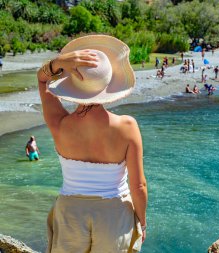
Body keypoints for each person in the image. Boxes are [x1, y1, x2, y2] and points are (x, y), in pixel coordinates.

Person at [37, 35, 146, 252]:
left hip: (69, 212)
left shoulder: (59, 123)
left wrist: (57, 63)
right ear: (109, 82)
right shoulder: (127, 126)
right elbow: (138, 186)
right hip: (114, 214)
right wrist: (142, 222)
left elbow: (42, 79)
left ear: (72, 84)